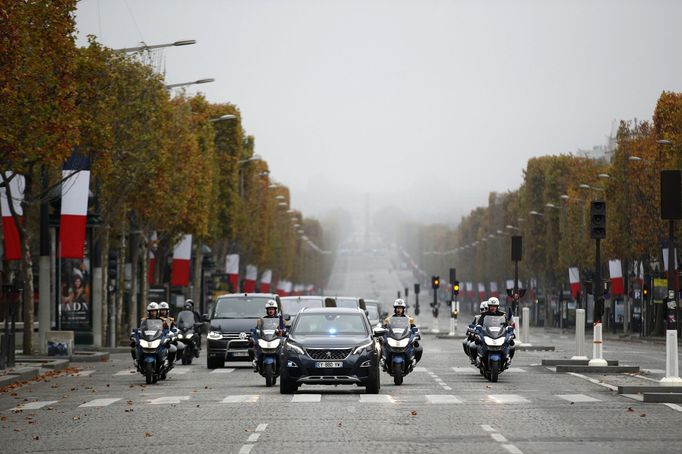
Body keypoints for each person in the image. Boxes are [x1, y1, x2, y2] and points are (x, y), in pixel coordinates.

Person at [383, 298, 422, 363]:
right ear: (395, 309)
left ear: (403, 309)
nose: (399, 310)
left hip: (405, 337)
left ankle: (413, 362)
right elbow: (384, 329)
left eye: (400, 308)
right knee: (379, 347)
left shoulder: (409, 319)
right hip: (393, 337)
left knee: (419, 348)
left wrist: (416, 333)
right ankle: (383, 362)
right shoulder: (388, 319)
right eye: (397, 308)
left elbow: (414, 329)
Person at [251, 300, 286, 372]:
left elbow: (284, 329)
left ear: (275, 310)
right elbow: (256, 329)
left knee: (283, 353)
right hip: (265, 339)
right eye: (269, 309)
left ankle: (283, 367)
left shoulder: (280, 320)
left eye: (272, 309)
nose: (271, 311)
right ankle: (257, 362)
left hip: (276, 339)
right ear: (266, 310)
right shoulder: (261, 320)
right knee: (256, 347)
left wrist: (285, 331)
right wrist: (253, 332)